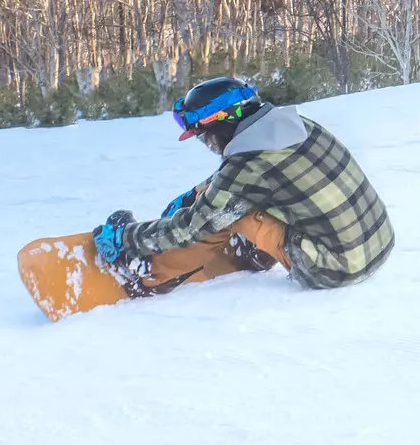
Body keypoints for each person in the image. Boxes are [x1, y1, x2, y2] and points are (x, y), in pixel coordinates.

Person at [90, 76, 395, 297]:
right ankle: (255, 251)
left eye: (202, 135)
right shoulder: (296, 126)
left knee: (229, 213)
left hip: (335, 268)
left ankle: (152, 273)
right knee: (234, 199)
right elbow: (259, 179)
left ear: (219, 126)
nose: (206, 143)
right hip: (376, 244)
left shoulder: (247, 164)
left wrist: (128, 238)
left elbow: (193, 227)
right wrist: (200, 192)